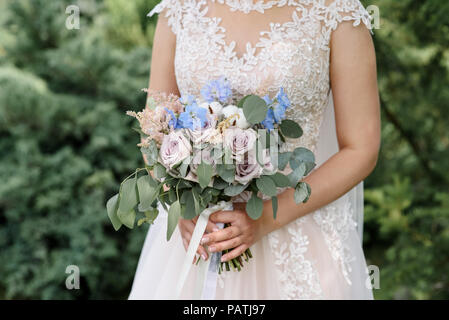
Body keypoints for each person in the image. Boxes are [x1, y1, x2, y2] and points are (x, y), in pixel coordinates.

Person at [129, 0, 380, 300]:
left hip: (297, 235)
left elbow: (361, 148)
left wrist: (266, 220)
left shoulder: (337, 12)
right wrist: (182, 205)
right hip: (199, 236)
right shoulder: (180, 8)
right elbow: (153, 125)